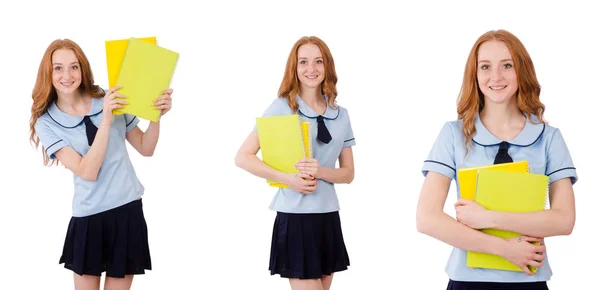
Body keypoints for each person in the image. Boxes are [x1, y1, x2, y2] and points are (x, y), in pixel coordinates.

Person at [416, 29, 577, 290]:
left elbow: (564, 220)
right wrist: (505, 249)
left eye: (507, 65)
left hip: (528, 279)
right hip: (468, 280)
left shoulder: (549, 138)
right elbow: (427, 219)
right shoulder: (453, 135)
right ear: (475, 74)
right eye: (485, 67)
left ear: (521, 70)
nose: (496, 76)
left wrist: (488, 218)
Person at [30, 39, 173, 290]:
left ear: (83, 69)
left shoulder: (109, 97)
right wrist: (105, 120)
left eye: (74, 67)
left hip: (127, 209)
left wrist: (156, 116)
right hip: (89, 217)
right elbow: (87, 170)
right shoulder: (47, 122)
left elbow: (146, 148)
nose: (67, 75)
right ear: (48, 73)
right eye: (58, 68)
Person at [235, 36, 355, 290]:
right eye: (303, 62)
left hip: (328, 216)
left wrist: (320, 171)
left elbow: (348, 174)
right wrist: (289, 180)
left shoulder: (340, 114)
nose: (311, 69)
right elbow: (243, 157)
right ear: (295, 67)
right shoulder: (282, 108)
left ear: (327, 66)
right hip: (297, 217)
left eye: (318, 62)